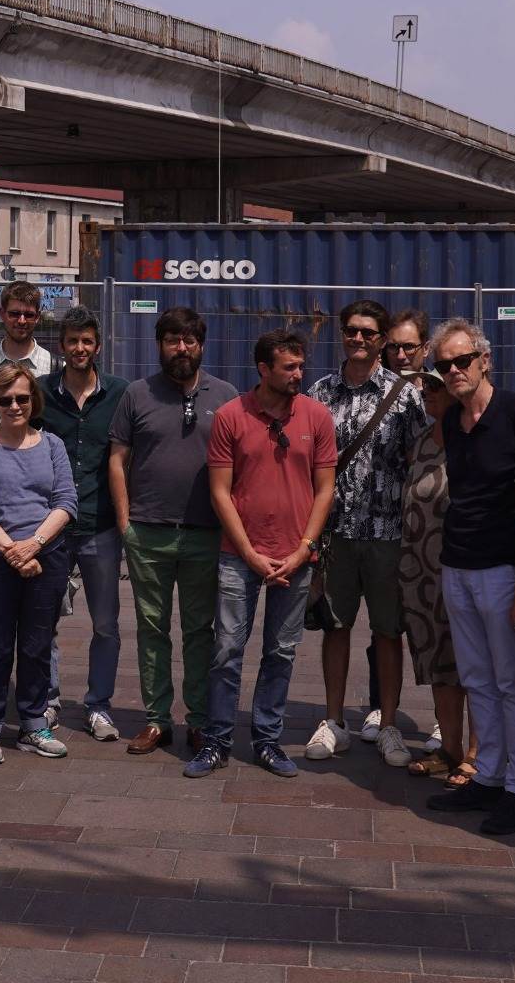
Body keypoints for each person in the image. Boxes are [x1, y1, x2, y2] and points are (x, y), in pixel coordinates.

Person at [185, 330, 337, 778]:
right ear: (263, 369)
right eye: (288, 367)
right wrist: (249, 553)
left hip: (296, 556)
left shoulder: (317, 416)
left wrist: (304, 548)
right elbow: (220, 491)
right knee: (226, 650)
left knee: (281, 653)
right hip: (239, 556)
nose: (298, 374)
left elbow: (325, 489)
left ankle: (267, 740)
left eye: (301, 366)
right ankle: (216, 740)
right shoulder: (231, 416)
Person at [426, 318, 515, 836]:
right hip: (458, 563)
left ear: (484, 360)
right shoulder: (452, 420)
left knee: (512, 681)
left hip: (503, 567)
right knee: (476, 677)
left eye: (462, 360)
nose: (453, 370)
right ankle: (488, 775)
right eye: (444, 365)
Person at [110, 306, 238, 756]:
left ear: (201, 345)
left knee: (201, 631)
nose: (181, 348)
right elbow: (117, 460)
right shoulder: (137, 394)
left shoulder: (226, 396)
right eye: (172, 340)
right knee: (152, 628)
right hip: (148, 533)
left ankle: (198, 720)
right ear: (159, 344)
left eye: (189, 340)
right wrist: (125, 523)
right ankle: (156, 719)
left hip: (206, 534)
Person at [305, 300, 425, 770]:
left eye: (368, 333)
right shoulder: (319, 393)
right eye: (351, 330)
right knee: (335, 627)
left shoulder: (404, 395)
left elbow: (420, 461)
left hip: (388, 533)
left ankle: (389, 723)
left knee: (388, 631)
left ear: (382, 340)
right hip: (335, 534)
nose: (358, 339)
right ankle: (334, 720)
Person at [0, 363, 77, 761]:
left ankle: (33, 723)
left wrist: (34, 544)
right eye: (5, 399)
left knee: (36, 645)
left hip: (47, 558)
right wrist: (14, 551)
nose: (14, 406)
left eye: (22, 398)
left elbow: (66, 501)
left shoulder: (53, 445)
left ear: (33, 401)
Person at [40, 305, 129, 741]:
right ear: (62, 346)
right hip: (51, 528)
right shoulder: (41, 393)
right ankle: (48, 700)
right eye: (73, 341)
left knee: (106, 624)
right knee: (45, 622)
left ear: (97, 346)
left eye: (87, 341)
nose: (80, 348)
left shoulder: (119, 394)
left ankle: (99, 706)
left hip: (101, 525)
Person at [400, 366, 476, 783]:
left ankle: (477, 754)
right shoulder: (422, 440)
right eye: (425, 384)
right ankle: (449, 748)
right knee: (441, 663)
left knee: (474, 663)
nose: (426, 390)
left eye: (435, 385)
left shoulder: (473, 437)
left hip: (465, 568)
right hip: (422, 572)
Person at [363, 306, 433, 746]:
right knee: (384, 624)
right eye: (394, 348)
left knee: (437, 624)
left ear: (425, 348)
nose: (402, 355)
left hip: (433, 528)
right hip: (386, 526)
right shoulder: (378, 392)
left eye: (410, 347)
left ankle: (445, 719)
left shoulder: (443, 391)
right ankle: (379, 705)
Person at [0, 281, 54, 393]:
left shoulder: (55, 368)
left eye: (29, 315)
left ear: (37, 317)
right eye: (14, 314)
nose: (22, 321)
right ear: (2, 314)